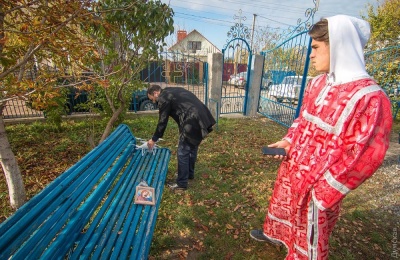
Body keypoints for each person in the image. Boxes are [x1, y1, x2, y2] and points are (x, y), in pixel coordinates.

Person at [250, 15, 393, 259]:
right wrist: (289, 141)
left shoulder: (370, 98)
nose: (311, 55)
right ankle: (277, 235)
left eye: (316, 47)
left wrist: (323, 191)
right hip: (292, 168)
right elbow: (302, 120)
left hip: (317, 185)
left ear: (338, 45)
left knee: (311, 234)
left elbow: (364, 155)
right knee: (283, 208)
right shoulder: (317, 83)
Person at [147, 84, 216, 191]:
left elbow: (162, 121)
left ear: (156, 93)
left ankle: (181, 183)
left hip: (192, 119)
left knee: (182, 151)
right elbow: (182, 108)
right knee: (192, 147)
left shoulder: (164, 98)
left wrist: (154, 139)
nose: (154, 102)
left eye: (153, 99)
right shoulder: (171, 90)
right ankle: (189, 174)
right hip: (201, 115)